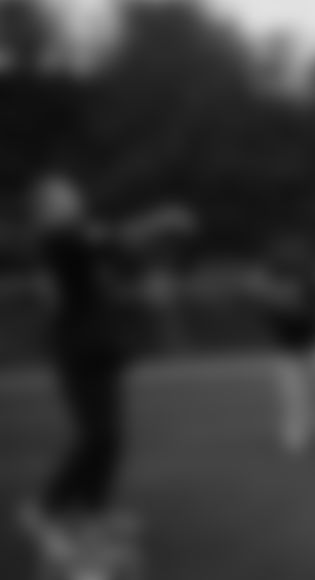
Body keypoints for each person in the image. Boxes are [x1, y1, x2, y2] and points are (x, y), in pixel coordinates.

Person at [19, 172, 195, 536]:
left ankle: (94, 510)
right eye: (62, 195)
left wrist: (143, 289)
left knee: (111, 437)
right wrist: (161, 220)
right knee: (97, 436)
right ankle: (46, 507)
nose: (73, 196)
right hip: (79, 350)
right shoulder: (59, 239)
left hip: (100, 347)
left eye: (71, 191)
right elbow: (118, 238)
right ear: (45, 210)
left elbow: (112, 265)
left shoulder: (80, 239)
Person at [255, 237, 315, 454]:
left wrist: (282, 300)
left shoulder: (312, 281)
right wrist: (271, 299)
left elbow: (313, 309)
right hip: (287, 348)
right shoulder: (270, 283)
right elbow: (268, 317)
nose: (290, 261)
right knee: (293, 395)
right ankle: (296, 433)